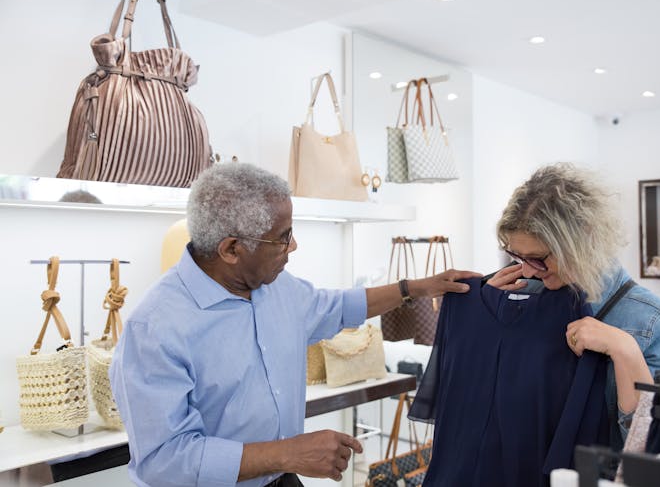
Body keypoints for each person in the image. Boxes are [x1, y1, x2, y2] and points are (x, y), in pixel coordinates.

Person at [109, 162, 477, 487]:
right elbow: (164, 460)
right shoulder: (155, 329)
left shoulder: (276, 289)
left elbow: (335, 306)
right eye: (282, 238)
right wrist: (286, 453)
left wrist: (414, 288)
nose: (294, 245)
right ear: (231, 250)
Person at [486, 162, 660, 452]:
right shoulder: (520, 295)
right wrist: (486, 320)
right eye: (518, 258)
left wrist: (625, 351)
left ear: (584, 239)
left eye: (539, 258)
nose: (528, 272)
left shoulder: (652, 322)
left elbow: (650, 448)